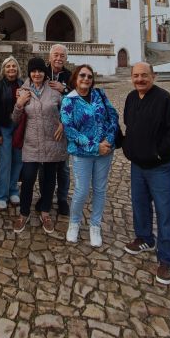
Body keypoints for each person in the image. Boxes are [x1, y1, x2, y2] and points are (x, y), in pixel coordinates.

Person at [122, 62, 170, 285]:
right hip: (138, 165)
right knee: (139, 204)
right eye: (136, 76)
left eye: (144, 76)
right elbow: (129, 125)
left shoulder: (164, 99)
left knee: (165, 210)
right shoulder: (131, 98)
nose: (140, 79)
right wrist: (129, 148)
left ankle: (167, 259)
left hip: (160, 167)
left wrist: (159, 153)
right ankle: (145, 238)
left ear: (153, 76)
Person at [60, 65, 120, 247]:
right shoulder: (68, 100)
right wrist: (95, 147)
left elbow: (113, 117)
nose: (86, 79)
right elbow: (69, 130)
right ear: (75, 78)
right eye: (82, 75)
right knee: (81, 190)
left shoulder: (99, 94)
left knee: (100, 189)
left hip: (105, 151)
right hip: (82, 154)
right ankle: (74, 223)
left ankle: (95, 226)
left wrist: (108, 141)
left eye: (89, 76)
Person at [12, 57, 67, 235]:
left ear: (45, 73)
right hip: (32, 143)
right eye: (34, 71)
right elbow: (15, 119)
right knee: (27, 179)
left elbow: (67, 110)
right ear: (29, 73)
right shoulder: (22, 91)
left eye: (40, 71)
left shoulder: (54, 90)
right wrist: (19, 105)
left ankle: (45, 212)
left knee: (50, 180)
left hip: (53, 142)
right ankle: (24, 213)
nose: (37, 74)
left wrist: (63, 123)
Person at [0, 56, 23, 210]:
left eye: (14, 66)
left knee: (17, 161)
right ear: (4, 69)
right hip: (4, 127)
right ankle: (1, 195)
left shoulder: (23, 85)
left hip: (20, 128)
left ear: (17, 69)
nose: (11, 69)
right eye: (8, 66)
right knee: (5, 162)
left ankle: (13, 190)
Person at [45, 43, 72, 216]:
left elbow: (81, 95)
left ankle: (62, 198)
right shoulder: (42, 72)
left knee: (63, 167)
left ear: (66, 58)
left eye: (62, 55)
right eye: (56, 55)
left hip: (64, 127)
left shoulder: (70, 75)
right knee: (45, 166)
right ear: (49, 57)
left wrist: (65, 89)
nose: (58, 58)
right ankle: (45, 197)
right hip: (45, 126)